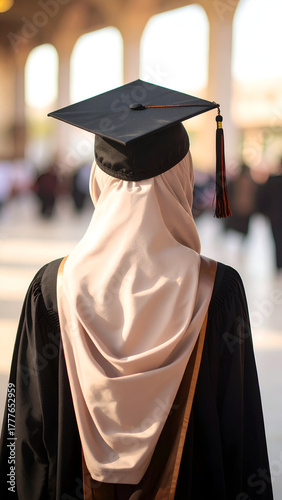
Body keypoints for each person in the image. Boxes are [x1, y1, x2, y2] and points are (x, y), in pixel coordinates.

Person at [0, 80, 273, 499]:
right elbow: (242, 434)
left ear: (98, 180)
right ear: (182, 178)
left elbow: (25, 430)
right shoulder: (219, 291)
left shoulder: (52, 289)